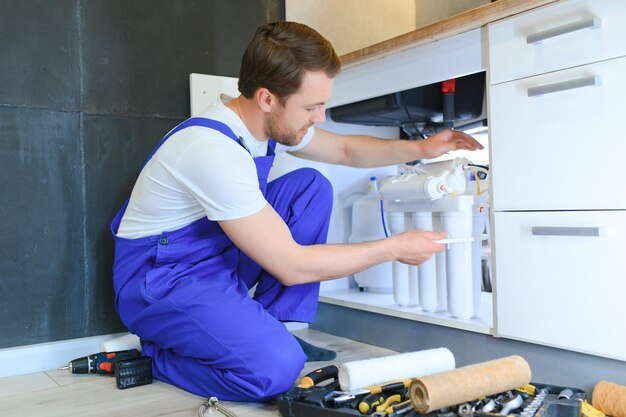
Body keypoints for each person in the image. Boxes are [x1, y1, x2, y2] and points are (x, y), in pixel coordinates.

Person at [110, 21, 483, 402]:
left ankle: (268, 328)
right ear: (267, 98)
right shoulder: (212, 150)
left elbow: (344, 150)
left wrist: (422, 149)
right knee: (275, 372)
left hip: (212, 258)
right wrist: (393, 248)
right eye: (311, 106)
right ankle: (155, 357)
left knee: (309, 188)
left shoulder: (258, 123)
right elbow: (293, 265)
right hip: (161, 281)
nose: (320, 117)